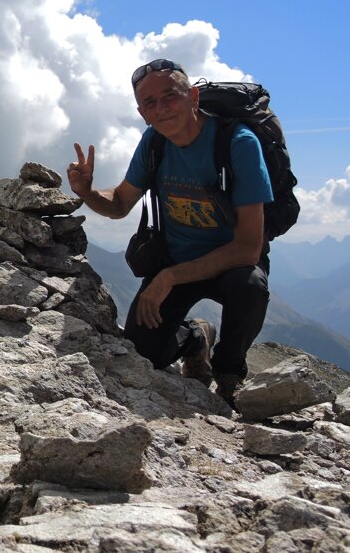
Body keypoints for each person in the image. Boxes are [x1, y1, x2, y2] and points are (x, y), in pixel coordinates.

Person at [67, 59, 272, 408]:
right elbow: (120, 203)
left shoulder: (238, 143)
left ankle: (228, 374)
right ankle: (195, 338)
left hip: (230, 264)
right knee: (143, 353)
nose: (161, 108)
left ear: (193, 97)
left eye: (170, 96)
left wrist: (169, 277)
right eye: (149, 103)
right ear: (142, 114)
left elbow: (248, 249)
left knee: (250, 286)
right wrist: (87, 192)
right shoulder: (154, 143)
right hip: (174, 262)